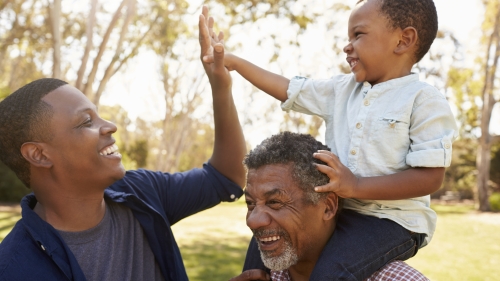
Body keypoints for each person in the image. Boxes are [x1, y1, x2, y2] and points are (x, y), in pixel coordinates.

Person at [201, 0, 458, 280]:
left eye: (358, 35)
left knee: (331, 271)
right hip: (342, 213)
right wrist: (234, 62)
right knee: (264, 240)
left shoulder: (423, 100)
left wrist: (356, 185)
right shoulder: (341, 90)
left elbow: (430, 177)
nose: (347, 46)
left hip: (392, 222)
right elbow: (288, 89)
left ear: (403, 40)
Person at [0, 7, 244, 281]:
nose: (110, 126)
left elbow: (226, 178)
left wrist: (220, 87)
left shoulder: (141, 192)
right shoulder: (14, 269)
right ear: (39, 154)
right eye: (85, 122)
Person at [229, 132, 429, 281]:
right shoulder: (263, 275)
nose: (253, 221)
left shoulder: (394, 279)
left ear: (328, 207)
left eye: (274, 202)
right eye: (250, 204)